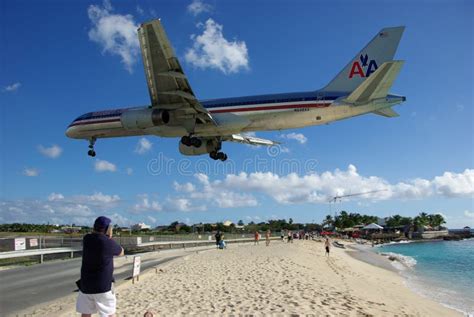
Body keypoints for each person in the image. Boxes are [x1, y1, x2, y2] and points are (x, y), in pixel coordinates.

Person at [76, 216, 124, 317]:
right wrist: (110, 237)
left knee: (85, 313)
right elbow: (121, 252)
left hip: (86, 284)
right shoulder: (107, 242)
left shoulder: (87, 239)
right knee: (109, 313)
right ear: (107, 229)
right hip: (103, 285)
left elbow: (95, 237)